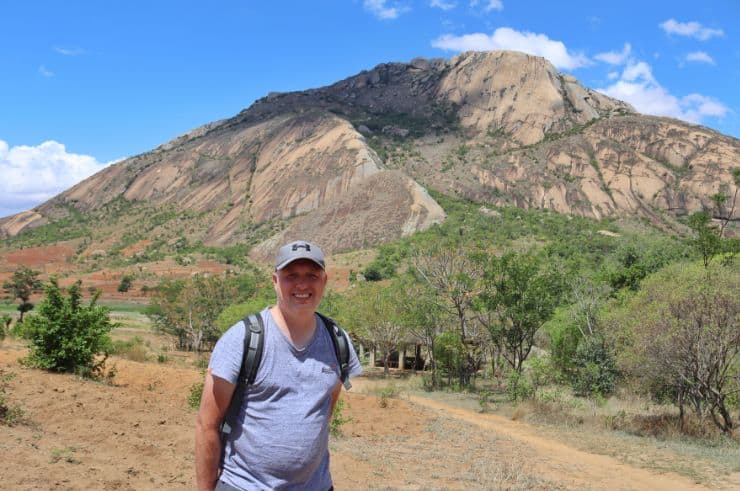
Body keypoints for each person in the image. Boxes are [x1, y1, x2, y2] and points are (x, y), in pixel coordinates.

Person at [195, 240, 362, 491]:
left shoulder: (337, 339)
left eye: (312, 275)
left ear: (324, 281)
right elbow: (207, 425)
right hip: (245, 485)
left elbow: (326, 407)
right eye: (291, 275)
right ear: (275, 280)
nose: (302, 284)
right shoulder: (243, 339)